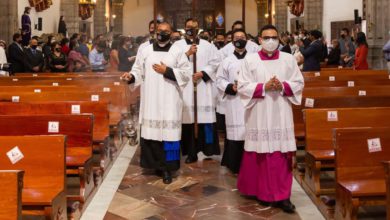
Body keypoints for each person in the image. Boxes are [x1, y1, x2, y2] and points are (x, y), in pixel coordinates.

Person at [237, 24, 304, 213]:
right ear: (259, 40)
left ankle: (283, 196)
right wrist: (263, 87)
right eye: (266, 38)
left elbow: (299, 83)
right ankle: (263, 193)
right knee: (260, 154)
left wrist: (281, 86)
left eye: (274, 37)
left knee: (281, 155)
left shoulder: (288, 59)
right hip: (258, 112)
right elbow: (242, 86)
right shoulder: (249, 61)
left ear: (279, 39)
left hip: (281, 113)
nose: (271, 41)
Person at [121, 22, 191, 184]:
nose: (162, 34)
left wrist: (167, 71)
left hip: (170, 99)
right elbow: (138, 70)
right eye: (160, 31)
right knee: (152, 133)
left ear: (171, 33)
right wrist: (131, 77)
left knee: (169, 135)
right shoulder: (145, 49)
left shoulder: (177, 51)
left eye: (166, 31)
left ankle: (168, 168)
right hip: (151, 99)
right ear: (155, 32)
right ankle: (154, 165)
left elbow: (186, 74)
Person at [174, 18, 221, 163]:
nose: (190, 30)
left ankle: (205, 149)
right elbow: (171, 62)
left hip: (201, 87)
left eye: (193, 28)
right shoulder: (177, 45)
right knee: (188, 121)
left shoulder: (208, 46)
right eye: (188, 27)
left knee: (202, 119)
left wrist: (203, 73)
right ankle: (190, 152)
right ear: (184, 28)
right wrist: (187, 54)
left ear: (198, 29)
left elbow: (215, 62)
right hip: (185, 87)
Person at [216, 29, 248, 174]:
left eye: (242, 37)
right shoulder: (227, 61)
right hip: (234, 101)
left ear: (247, 40)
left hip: (249, 101)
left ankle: (249, 164)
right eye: (236, 37)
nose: (239, 39)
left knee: (249, 131)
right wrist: (230, 87)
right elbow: (219, 80)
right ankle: (234, 164)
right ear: (232, 41)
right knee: (235, 132)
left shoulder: (254, 59)